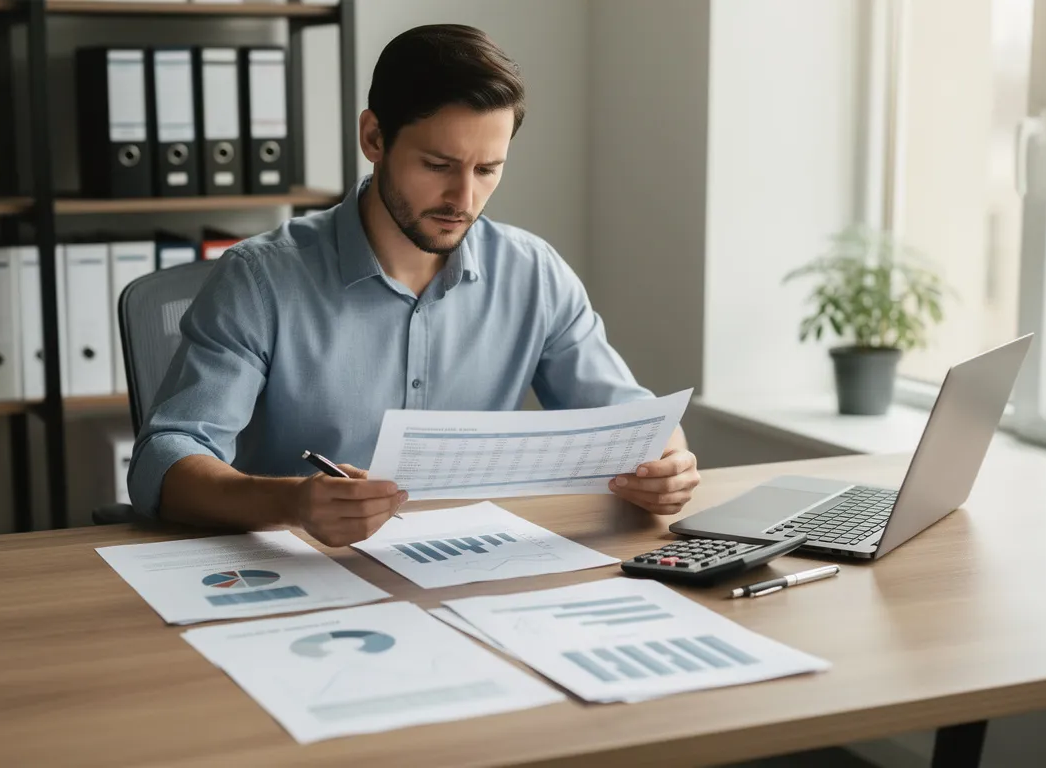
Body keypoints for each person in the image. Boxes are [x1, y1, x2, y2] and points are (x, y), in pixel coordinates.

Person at [129, 24, 700, 547]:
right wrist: (295, 501)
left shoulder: (535, 274)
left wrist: (666, 466)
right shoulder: (259, 279)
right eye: (437, 165)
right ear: (374, 137)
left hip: (470, 571)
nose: (464, 200)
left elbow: (634, 424)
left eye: (487, 169)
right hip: (302, 573)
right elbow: (167, 460)